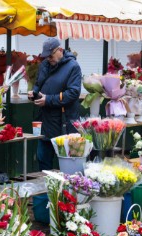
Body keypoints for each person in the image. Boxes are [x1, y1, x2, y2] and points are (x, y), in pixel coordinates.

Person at [28, 38, 82, 171]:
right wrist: (34, 93)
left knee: (65, 165)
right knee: (43, 161)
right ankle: (46, 190)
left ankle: (64, 192)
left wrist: (48, 100)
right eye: (46, 56)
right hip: (45, 123)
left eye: (51, 55)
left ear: (60, 50)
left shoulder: (73, 67)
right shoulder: (44, 65)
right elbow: (38, 85)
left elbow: (73, 93)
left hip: (63, 125)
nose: (49, 59)